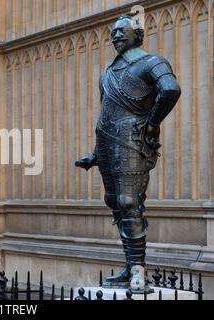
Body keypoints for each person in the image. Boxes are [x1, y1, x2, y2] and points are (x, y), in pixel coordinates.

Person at [75, 15, 181, 293]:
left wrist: (152, 121)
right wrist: (94, 153)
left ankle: (138, 271)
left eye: (122, 31)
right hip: (108, 141)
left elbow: (170, 89)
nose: (116, 36)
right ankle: (130, 262)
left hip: (132, 140)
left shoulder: (151, 62)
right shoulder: (108, 73)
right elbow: (105, 115)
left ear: (138, 34)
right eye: (113, 33)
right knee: (114, 201)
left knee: (128, 201)